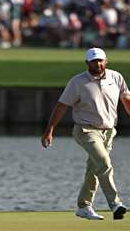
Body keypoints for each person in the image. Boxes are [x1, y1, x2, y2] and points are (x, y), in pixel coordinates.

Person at [41, 47, 129, 220]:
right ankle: (115, 204)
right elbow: (62, 106)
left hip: (109, 132)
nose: (98, 64)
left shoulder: (116, 77)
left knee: (95, 169)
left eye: (100, 60)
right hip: (85, 130)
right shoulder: (77, 82)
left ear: (106, 61)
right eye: (94, 61)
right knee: (103, 162)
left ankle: (84, 206)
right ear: (87, 63)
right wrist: (49, 130)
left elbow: (126, 99)